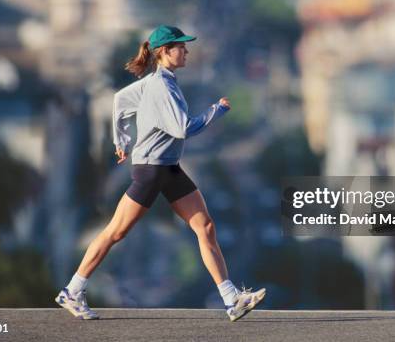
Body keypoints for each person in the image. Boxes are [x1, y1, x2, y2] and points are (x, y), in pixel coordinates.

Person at [55, 25, 266, 321]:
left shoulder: (156, 81)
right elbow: (183, 128)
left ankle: (232, 300)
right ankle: (73, 291)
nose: (187, 51)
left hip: (169, 168)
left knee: (205, 227)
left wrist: (121, 142)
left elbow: (119, 100)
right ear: (165, 52)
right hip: (152, 171)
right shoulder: (161, 86)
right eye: (181, 46)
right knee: (115, 232)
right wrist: (216, 110)